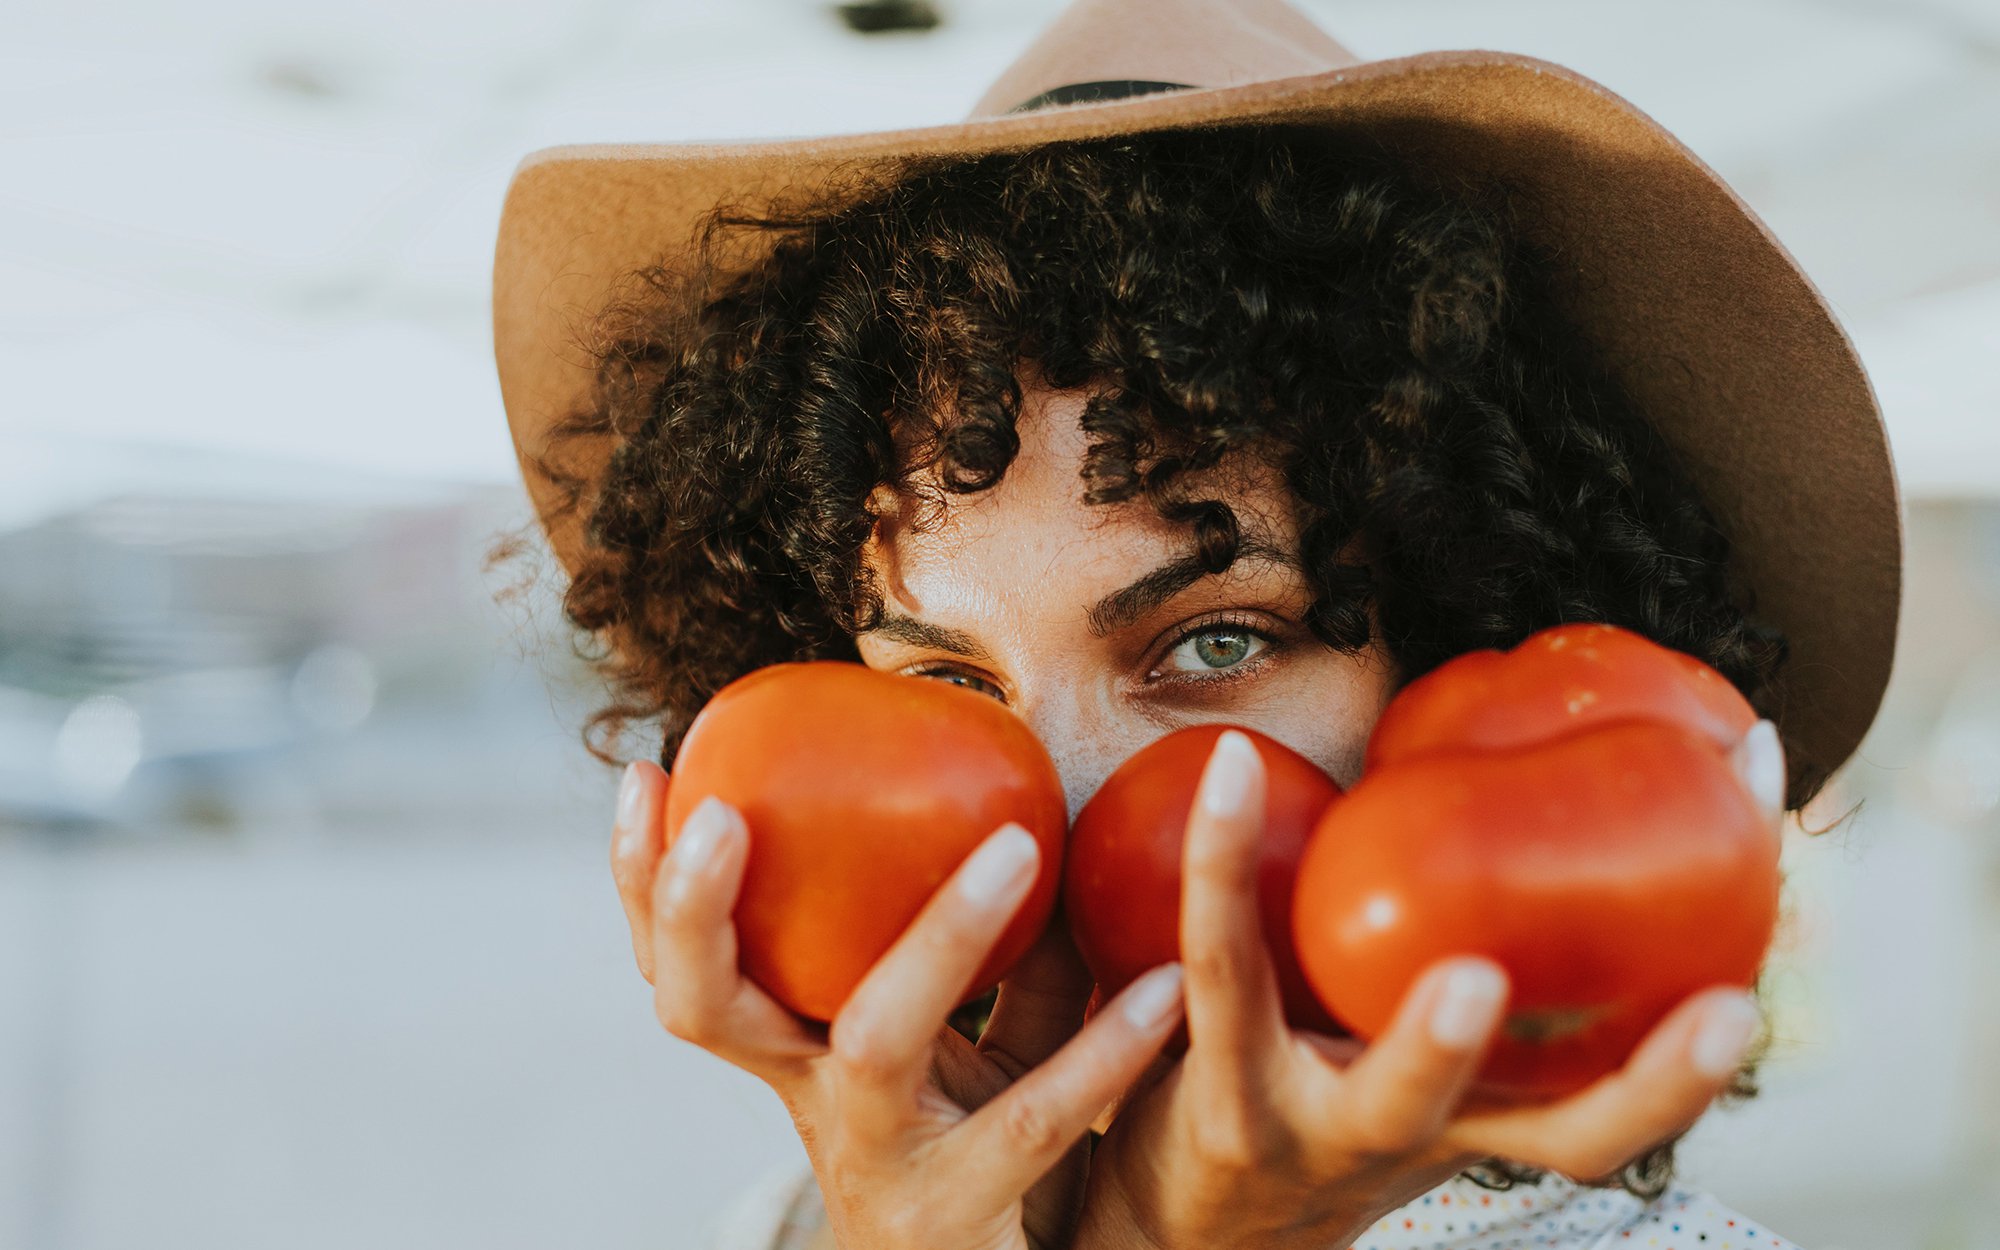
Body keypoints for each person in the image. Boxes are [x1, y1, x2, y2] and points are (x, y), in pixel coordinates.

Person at [489, 2, 1901, 1247]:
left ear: (1477, 652)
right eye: (946, 679)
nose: (1057, 807)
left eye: (1216, 641)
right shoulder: (803, 1230)